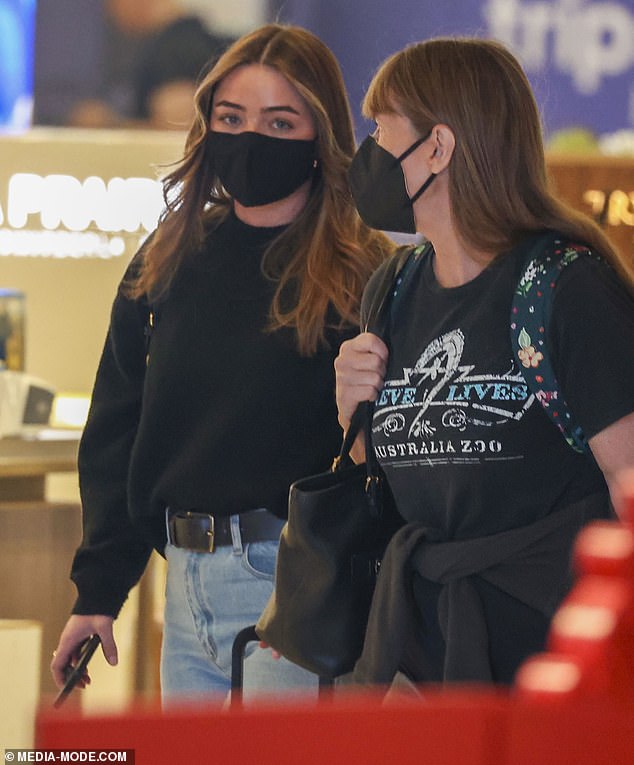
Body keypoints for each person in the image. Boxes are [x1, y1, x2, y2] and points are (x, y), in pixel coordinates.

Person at [51, 23, 393, 702]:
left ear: (319, 136)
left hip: (298, 585)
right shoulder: (171, 255)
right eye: (230, 117)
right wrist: (97, 590)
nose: (249, 138)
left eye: (279, 120)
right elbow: (118, 427)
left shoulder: (361, 269)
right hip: (183, 582)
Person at [335, 37, 634, 689]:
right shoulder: (392, 288)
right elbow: (387, 474)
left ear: (436, 149)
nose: (368, 157)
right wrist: (350, 410)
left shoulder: (566, 288)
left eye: (381, 132)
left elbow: (630, 484)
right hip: (421, 654)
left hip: (556, 663)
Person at [67, 0, 233, 130]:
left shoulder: (174, 48)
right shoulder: (190, 40)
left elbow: (179, 124)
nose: (108, 13)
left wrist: (110, 124)